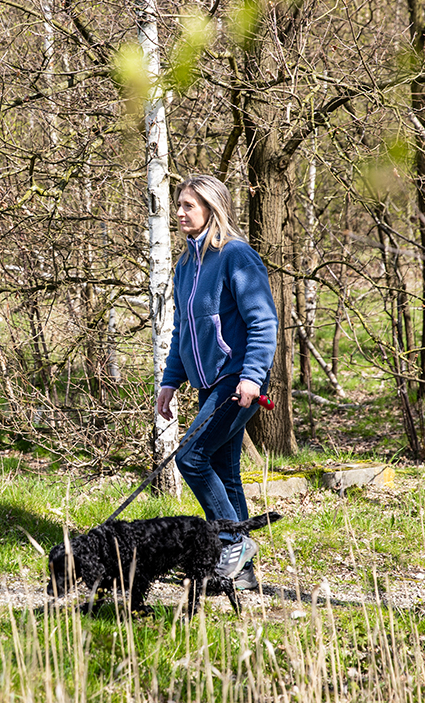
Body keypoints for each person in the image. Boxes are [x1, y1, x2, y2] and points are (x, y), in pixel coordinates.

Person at [154, 174, 278, 592]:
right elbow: (183, 331)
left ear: (211, 208)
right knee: (224, 472)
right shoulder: (186, 264)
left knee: (190, 457)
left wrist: (251, 377)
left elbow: (263, 322)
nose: (180, 212)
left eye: (189, 205)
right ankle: (240, 573)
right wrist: (170, 381)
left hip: (236, 380)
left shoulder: (236, 256)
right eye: (179, 205)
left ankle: (230, 543)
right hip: (209, 382)